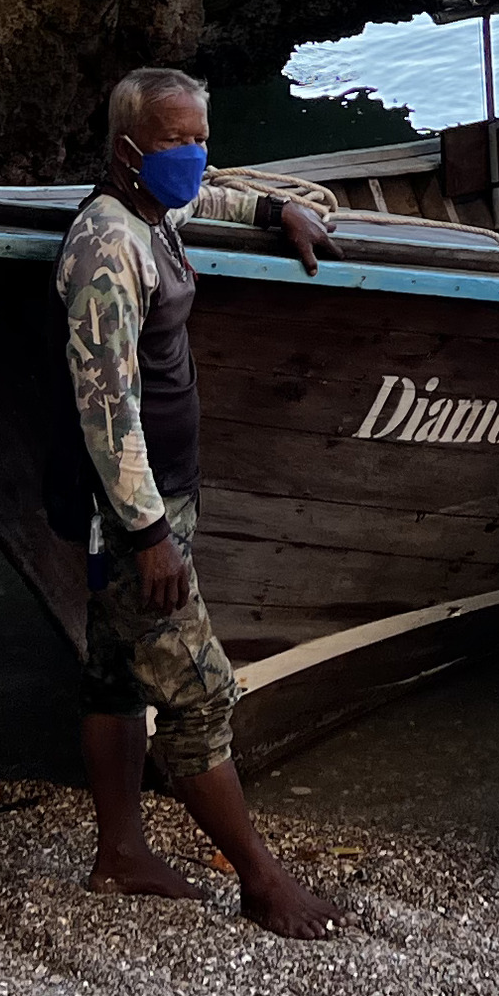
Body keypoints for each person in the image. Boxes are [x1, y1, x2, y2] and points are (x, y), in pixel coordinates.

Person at [57, 66, 351, 938]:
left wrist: (275, 211)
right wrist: (148, 533)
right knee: (201, 693)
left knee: (114, 678)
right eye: (177, 140)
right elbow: (104, 406)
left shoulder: (153, 211)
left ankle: (120, 855)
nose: (194, 155)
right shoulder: (107, 245)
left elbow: (209, 199)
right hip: (132, 514)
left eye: (200, 138)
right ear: (127, 150)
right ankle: (262, 883)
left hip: (159, 501)